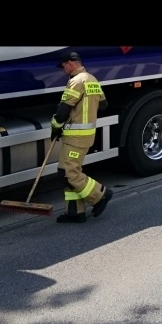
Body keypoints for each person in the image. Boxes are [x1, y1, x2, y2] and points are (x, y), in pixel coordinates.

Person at [51, 51, 113, 223]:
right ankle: (75, 212)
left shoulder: (76, 81)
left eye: (63, 66)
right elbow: (104, 105)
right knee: (71, 171)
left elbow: (63, 110)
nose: (63, 70)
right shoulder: (92, 79)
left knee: (68, 172)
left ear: (71, 63)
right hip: (86, 135)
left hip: (75, 137)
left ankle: (100, 195)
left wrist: (55, 127)